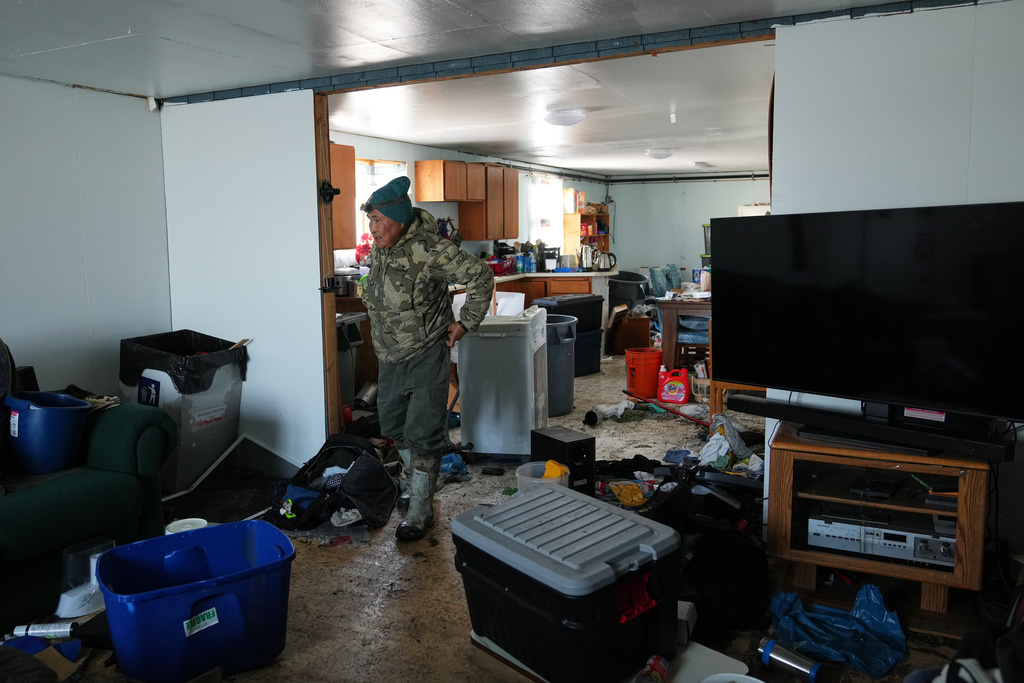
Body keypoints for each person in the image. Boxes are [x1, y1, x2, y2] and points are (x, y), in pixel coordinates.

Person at [360, 175, 494, 541]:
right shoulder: (379, 250)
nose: (373, 228)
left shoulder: (431, 250)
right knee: (393, 429)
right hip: (389, 358)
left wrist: (465, 323)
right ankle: (419, 486)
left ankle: (420, 510)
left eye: (378, 220)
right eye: (369, 220)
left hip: (426, 354)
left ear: (399, 220)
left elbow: (480, 276)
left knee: (422, 434)